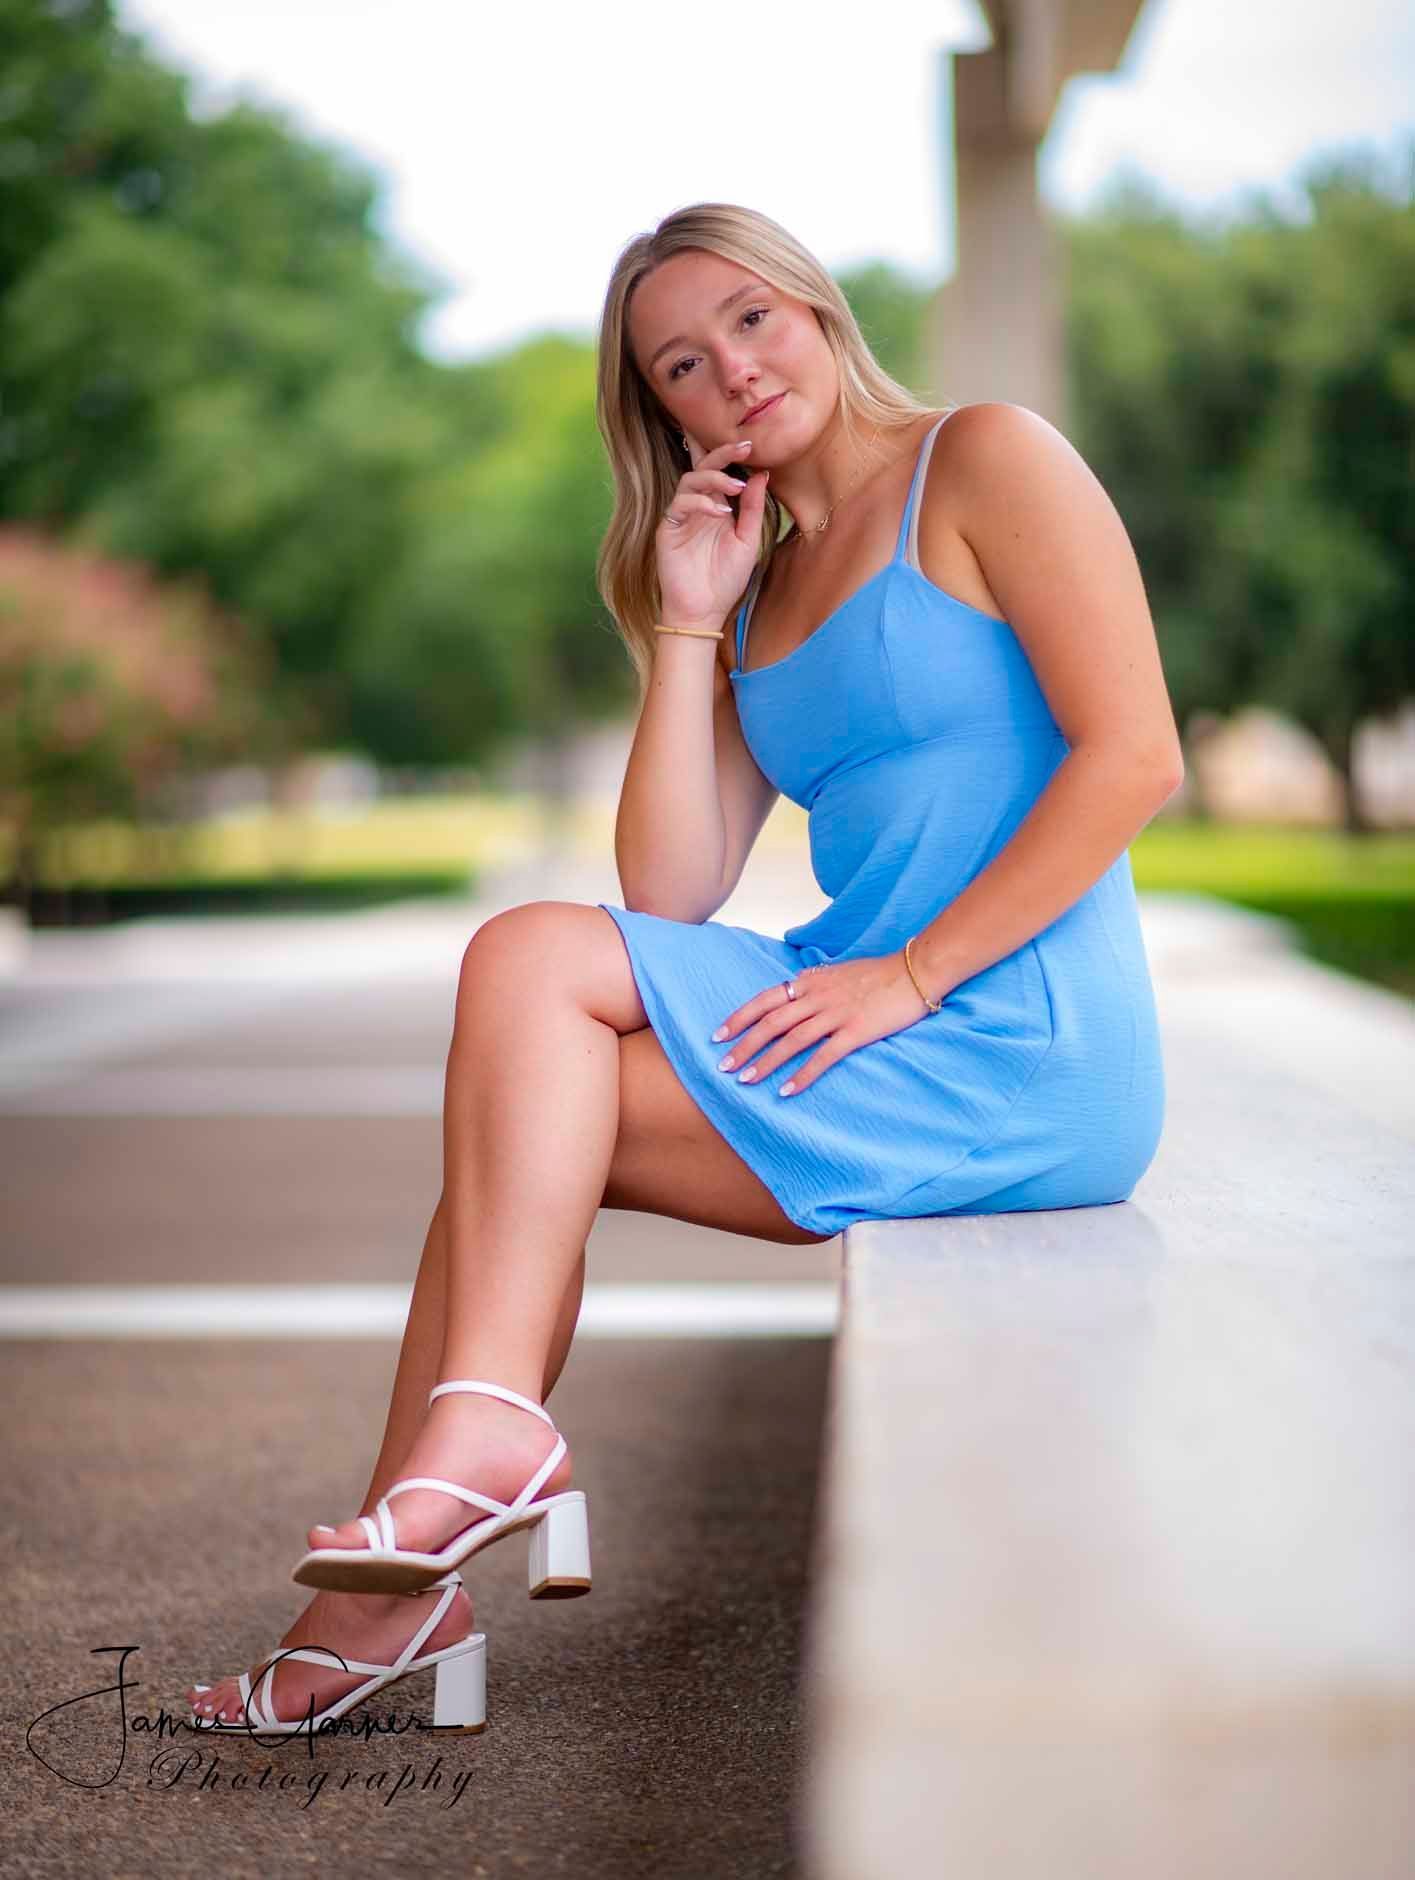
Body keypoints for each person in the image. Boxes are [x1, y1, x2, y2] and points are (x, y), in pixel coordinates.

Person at [186, 200, 1183, 1729]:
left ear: (815, 305)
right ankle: (412, 1555)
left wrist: (911, 978)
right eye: (681, 366)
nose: (730, 372)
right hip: (854, 1008)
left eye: (749, 322)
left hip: (1013, 1041)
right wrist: (687, 628)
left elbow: (1134, 759)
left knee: (524, 1040)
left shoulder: (984, 459)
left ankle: (457, 1490)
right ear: (664, 412)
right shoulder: (764, 583)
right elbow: (671, 884)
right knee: (519, 1129)